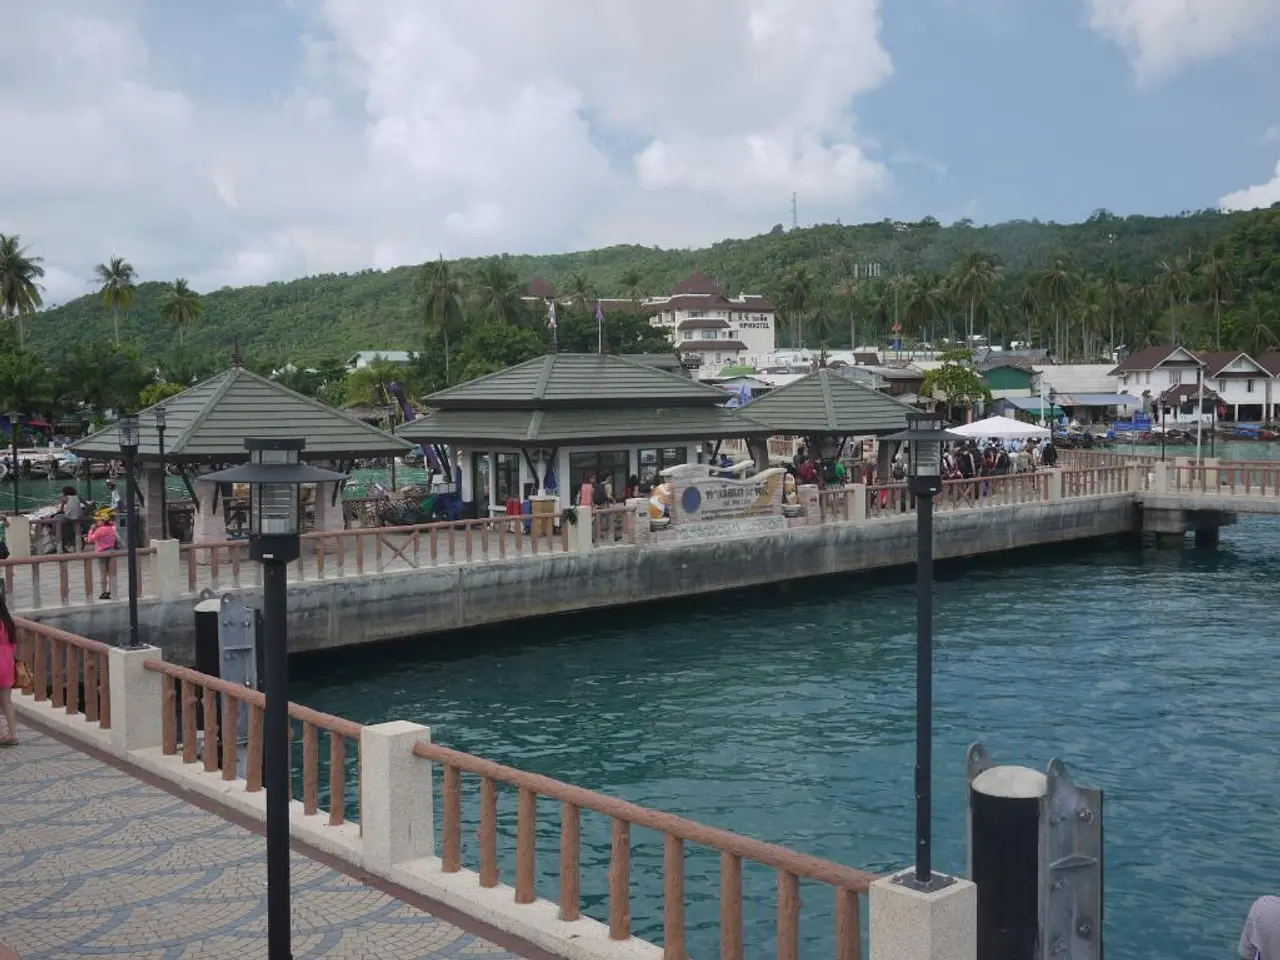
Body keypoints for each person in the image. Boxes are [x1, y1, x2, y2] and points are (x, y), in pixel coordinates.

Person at [86, 509, 118, 600]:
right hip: (112, 552)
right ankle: (112, 591)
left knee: (103, 574)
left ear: (103, 520)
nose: (97, 521)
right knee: (112, 574)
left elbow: (90, 540)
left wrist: (91, 530)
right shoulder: (113, 528)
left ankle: (104, 592)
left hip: (102, 553)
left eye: (98, 520)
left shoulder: (100, 530)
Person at [0, 589, 18, 745]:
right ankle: (13, 734)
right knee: (7, 701)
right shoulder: (8, 622)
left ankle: (1, 733)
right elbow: (14, 646)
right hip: (7, 664)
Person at [58, 484, 83, 553]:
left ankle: (59, 548)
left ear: (65, 492)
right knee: (78, 529)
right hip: (78, 516)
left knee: (58, 525)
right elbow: (87, 504)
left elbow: (61, 510)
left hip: (68, 516)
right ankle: (79, 549)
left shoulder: (64, 498)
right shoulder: (78, 497)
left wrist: (60, 511)